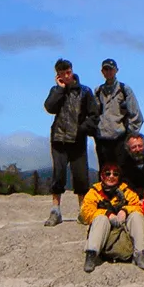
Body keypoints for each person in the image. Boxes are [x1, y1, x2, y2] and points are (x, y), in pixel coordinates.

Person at [43, 58, 99, 227]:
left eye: (68, 72)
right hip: (59, 139)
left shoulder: (85, 91)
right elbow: (49, 107)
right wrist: (60, 90)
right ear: (58, 76)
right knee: (58, 174)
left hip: (78, 139)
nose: (67, 76)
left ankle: (83, 210)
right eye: (62, 74)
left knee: (81, 175)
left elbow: (94, 115)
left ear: (72, 71)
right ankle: (55, 210)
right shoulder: (56, 90)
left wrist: (82, 128)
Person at [80, 163, 144, 272]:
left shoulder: (126, 191)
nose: (111, 176)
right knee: (101, 218)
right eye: (107, 173)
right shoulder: (94, 192)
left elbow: (139, 206)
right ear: (102, 176)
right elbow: (85, 213)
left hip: (123, 230)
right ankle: (91, 254)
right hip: (104, 232)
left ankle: (140, 254)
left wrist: (125, 210)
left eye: (115, 174)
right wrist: (107, 214)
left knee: (136, 215)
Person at [93, 58, 143, 169]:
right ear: (102, 72)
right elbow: (94, 115)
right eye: (106, 69)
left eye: (111, 69)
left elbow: (136, 116)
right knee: (104, 172)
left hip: (120, 139)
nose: (108, 72)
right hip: (102, 140)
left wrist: (129, 137)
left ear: (116, 70)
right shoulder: (98, 91)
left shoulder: (124, 90)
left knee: (122, 172)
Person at [118, 133, 144, 198]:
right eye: (134, 147)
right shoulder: (123, 168)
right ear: (128, 149)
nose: (137, 149)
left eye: (140, 146)